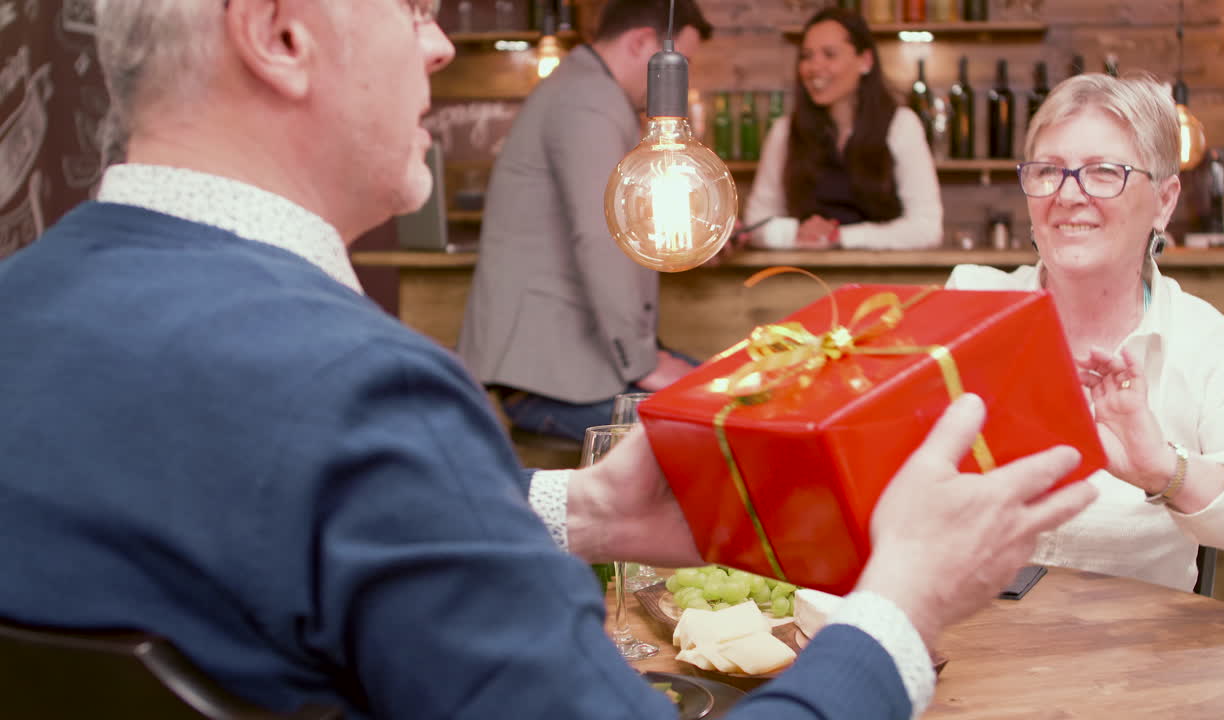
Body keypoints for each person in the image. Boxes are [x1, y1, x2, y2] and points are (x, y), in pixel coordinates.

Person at [0, 1, 1097, 719]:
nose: (436, 46)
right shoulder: (366, 392)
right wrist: (903, 607)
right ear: (280, 33)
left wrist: (576, 514)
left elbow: (247, 509)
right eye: (413, 10)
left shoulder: (23, 311)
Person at [948, 73, 1224, 593]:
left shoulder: (1208, 348)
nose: (1069, 195)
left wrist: (1165, 471)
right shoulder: (969, 305)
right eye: (1048, 171)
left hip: (1133, 667)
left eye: (1105, 172)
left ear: (1164, 202)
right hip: (957, 654)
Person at [456, 0, 709, 442]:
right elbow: (602, 236)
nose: (679, 81)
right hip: (549, 380)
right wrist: (644, 362)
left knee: (720, 397)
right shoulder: (590, 101)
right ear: (642, 44)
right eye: (679, 64)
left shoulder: (588, 90)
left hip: (568, 369)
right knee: (711, 428)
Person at [743, 8, 942, 251]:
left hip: (882, 281)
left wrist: (840, 237)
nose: (814, 67)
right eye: (807, 56)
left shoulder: (901, 125)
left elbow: (927, 228)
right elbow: (755, 224)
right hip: (801, 282)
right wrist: (796, 233)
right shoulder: (784, 132)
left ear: (865, 61)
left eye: (829, 55)